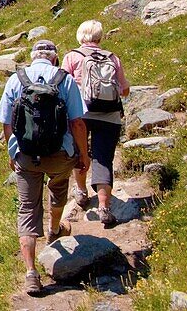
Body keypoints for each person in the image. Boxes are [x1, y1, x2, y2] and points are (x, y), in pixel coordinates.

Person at [0, 39, 89, 297]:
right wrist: (83, 153)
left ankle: (31, 274)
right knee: (58, 188)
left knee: (27, 209)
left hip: (26, 155)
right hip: (60, 154)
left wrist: (12, 151)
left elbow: (6, 122)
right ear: (55, 58)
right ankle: (54, 229)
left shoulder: (17, 79)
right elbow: (78, 122)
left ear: (32, 57)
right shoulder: (65, 80)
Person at [61, 19, 131, 228]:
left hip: (79, 114)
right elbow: (124, 89)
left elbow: (62, 86)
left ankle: (81, 193)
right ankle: (104, 207)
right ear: (100, 37)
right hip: (109, 115)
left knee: (80, 153)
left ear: (80, 36)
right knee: (103, 159)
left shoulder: (72, 56)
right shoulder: (112, 57)